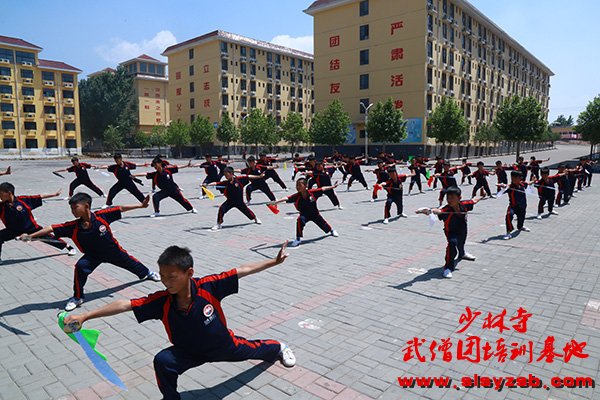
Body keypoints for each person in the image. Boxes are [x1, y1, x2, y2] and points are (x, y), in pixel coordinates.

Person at [63, 243, 296, 400]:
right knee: (163, 362)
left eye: (171, 277)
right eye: (162, 276)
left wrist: (273, 262)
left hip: (224, 345)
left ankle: (279, 347)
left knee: (255, 349)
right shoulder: (162, 301)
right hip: (188, 352)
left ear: (189, 272)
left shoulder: (209, 286)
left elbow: (242, 270)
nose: (166, 282)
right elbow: (126, 304)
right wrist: (86, 315)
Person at [20, 193, 160, 311]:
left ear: (86, 206)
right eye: (71, 208)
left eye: (75, 207)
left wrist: (141, 206)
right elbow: (51, 228)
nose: (73, 211)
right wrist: (31, 236)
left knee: (131, 263)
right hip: (93, 256)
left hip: (112, 251)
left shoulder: (102, 216)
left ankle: (147, 273)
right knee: (80, 267)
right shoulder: (72, 226)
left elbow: (121, 208)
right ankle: (78, 297)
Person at [0, 182, 75, 263]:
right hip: (13, 230)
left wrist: (54, 195)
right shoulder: (2, 205)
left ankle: (68, 246)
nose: (0, 196)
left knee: (48, 237)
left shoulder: (23, 200)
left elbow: (40, 196)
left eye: (1, 193)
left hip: (31, 228)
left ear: (9, 193)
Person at [416, 186, 480, 278]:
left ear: (459, 198)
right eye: (448, 198)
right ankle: (448, 268)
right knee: (452, 244)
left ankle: (462, 254)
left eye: (452, 198)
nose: (449, 200)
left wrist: (482, 196)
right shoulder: (446, 209)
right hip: (450, 231)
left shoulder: (465, 204)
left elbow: (474, 200)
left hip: (462, 228)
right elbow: (438, 211)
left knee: (461, 242)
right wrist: (429, 211)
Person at [269, 178, 339, 247]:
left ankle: (332, 231)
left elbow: (323, 188)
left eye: (300, 185)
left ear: (305, 186)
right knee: (300, 221)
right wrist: (276, 202)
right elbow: (287, 198)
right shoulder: (297, 196)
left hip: (315, 214)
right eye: (297, 185)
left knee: (323, 224)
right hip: (304, 214)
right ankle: (298, 239)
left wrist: (333, 186)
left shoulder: (313, 192)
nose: (297, 187)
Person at [500, 171, 531, 240]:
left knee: (521, 217)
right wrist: (502, 186)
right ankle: (508, 232)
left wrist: (534, 181)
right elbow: (501, 192)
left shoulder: (523, 185)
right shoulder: (510, 187)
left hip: (522, 206)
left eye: (515, 178)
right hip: (513, 206)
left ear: (520, 178)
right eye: (512, 178)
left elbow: (528, 183)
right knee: (509, 215)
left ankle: (520, 227)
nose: (513, 179)